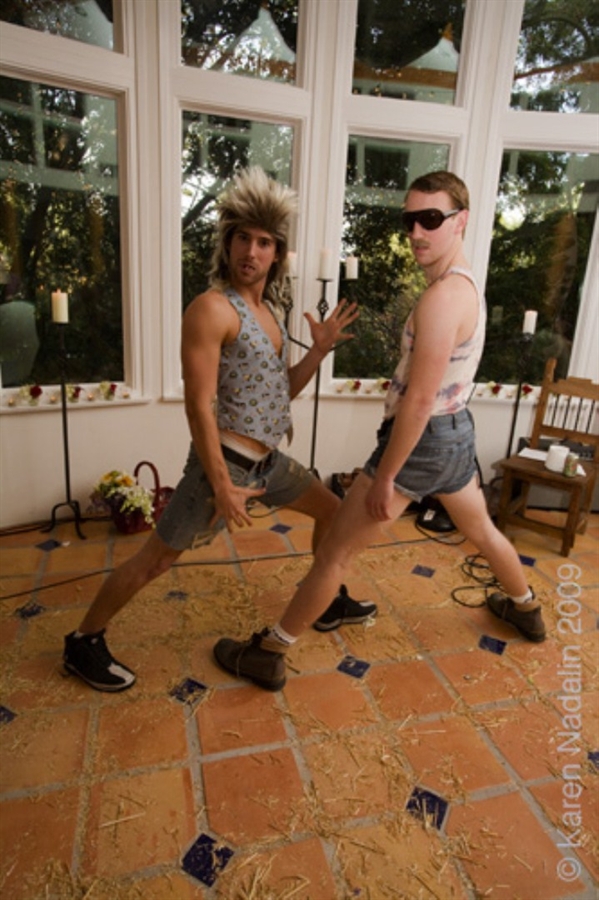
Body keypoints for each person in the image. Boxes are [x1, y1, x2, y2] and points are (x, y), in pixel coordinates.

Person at [214, 170, 547, 692]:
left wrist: (387, 476)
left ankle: (269, 653)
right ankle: (527, 609)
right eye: (409, 220)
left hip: (421, 441)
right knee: (482, 530)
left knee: (335, 553)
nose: (416, 232)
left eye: (430, 219)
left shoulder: (443, 299)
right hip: (455, 433)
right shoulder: (464, 286)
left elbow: (419, 401)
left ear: (460, 220)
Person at [63, 166, 377, 692]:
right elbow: (198, 407)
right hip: (225, 465)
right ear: (227, 243)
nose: (251, 251)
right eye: (242, 238)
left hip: (269, 463)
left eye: (264, 242)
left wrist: (319, 351)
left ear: (277, 253)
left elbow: (279, 393)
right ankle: (83, 641)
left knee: (334, 512)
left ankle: (326, 598)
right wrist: (223, 485)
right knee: (155, 560)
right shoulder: (211, 309)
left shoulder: (269, 312)